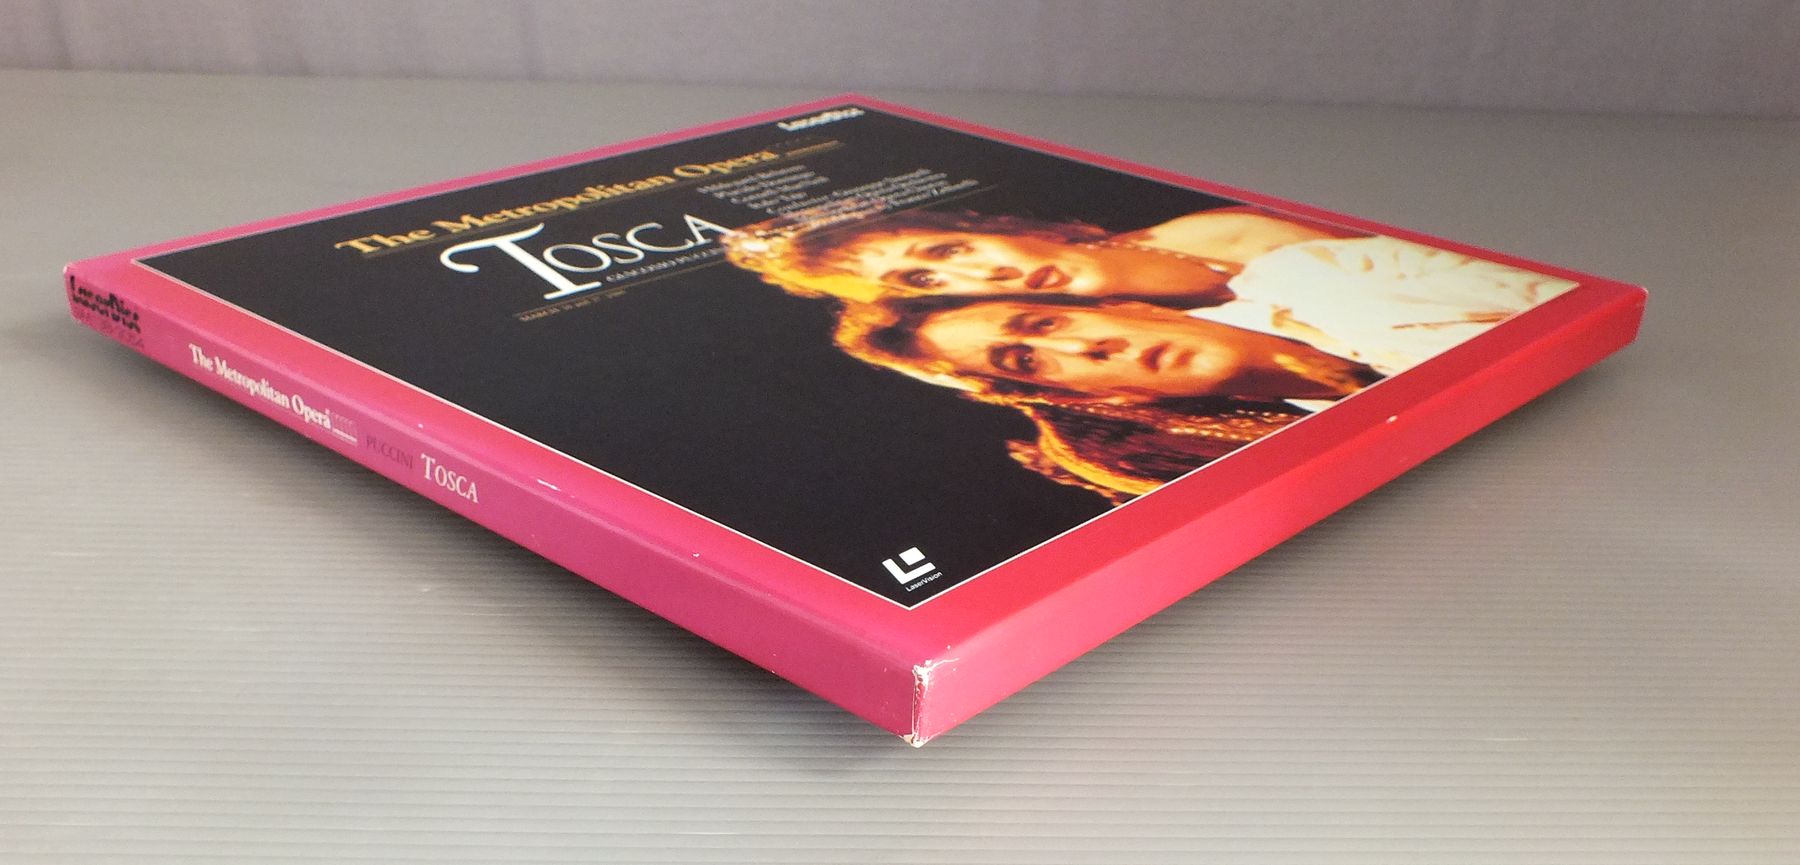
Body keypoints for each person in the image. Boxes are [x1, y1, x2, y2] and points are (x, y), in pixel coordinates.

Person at [832, 294, 1384, 502]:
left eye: (1044, 323)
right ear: (1092, 397)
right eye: (1026, 361)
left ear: (1120, 306)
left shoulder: (1333, 281)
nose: (1082, 347)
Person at [724, 205, 1348, 306]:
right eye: (924, 280)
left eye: (948, 248)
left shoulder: (1230, 230)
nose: (981, 273)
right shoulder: (1121, 361)